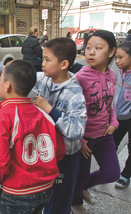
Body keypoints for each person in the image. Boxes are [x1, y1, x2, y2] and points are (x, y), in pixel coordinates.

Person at [0, 37, 87, 214]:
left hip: (60, 163)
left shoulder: (74, 93)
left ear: (64, 64)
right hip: (46, 172)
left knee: (59, 206)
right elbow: (20, 74)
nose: (41, 63)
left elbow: (76, 130)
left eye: (47, 59)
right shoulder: (44, 80)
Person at [0, 59, 66, 214]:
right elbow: (59, 151)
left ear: (7, 86)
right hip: (46, 189)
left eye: (0, 79)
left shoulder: (3, 117)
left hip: (18, 193)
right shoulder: (44, 114)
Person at [72, 30, 120, 214]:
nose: (91, 52)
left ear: (111, 52)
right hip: (85, 139)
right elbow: (72, 111)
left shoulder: (112, 75)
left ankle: (84, 187)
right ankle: (76, 202)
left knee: (112, 173)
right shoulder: (80, 77)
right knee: (81, 174)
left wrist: (114, 121)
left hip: (105, 135)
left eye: (98, 48)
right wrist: (81, 140)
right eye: (88, 47)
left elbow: (110, 103)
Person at [113, 41, 131, 189]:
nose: (117, 61)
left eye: (121, 57)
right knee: (112, 144)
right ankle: (109, 171)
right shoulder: (120, 71)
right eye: (116, 58)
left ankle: (126, 175)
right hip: (119, 116)